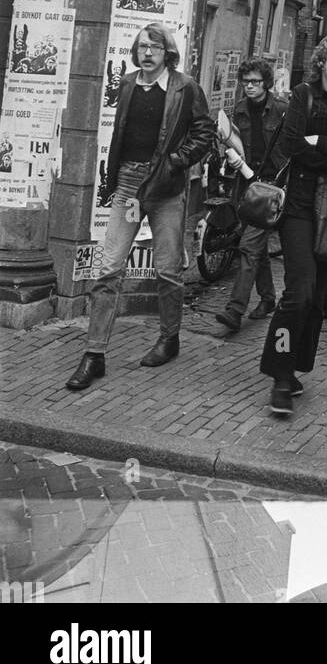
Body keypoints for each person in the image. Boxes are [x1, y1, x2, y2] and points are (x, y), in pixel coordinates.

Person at [66, 23, 214, 391]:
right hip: (129, 184)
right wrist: (113, 179)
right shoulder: (129, 82)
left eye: (155, 47)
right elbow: (121, 133)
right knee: (109, 269)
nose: (147, 52)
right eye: (142, 46)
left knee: (166, 271)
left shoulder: (185, 87)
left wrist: (178, 161)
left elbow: (205, 131)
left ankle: (169, 337)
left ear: (167, 52)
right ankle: (94, 354)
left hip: (165, 186)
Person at [259, 32, 327, 416]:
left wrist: (319, 140)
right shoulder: (302, 97)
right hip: (301, 208)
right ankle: (280, 374)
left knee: (318, 302)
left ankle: (294, 368)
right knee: (299, 293)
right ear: (322, 63)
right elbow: (292, 147)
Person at [215, 59, 288, 332]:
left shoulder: (281, 110)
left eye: (255, 82)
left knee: (248, 246)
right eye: (246, 82)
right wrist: (229, 154)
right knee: (256, 248)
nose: (250, 87)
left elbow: (292, 149)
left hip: (271, 187)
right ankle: (268, 298)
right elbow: (232, 142)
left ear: (266, 83)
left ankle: (234, 310)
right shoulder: (239, 111)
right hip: (247, 185)